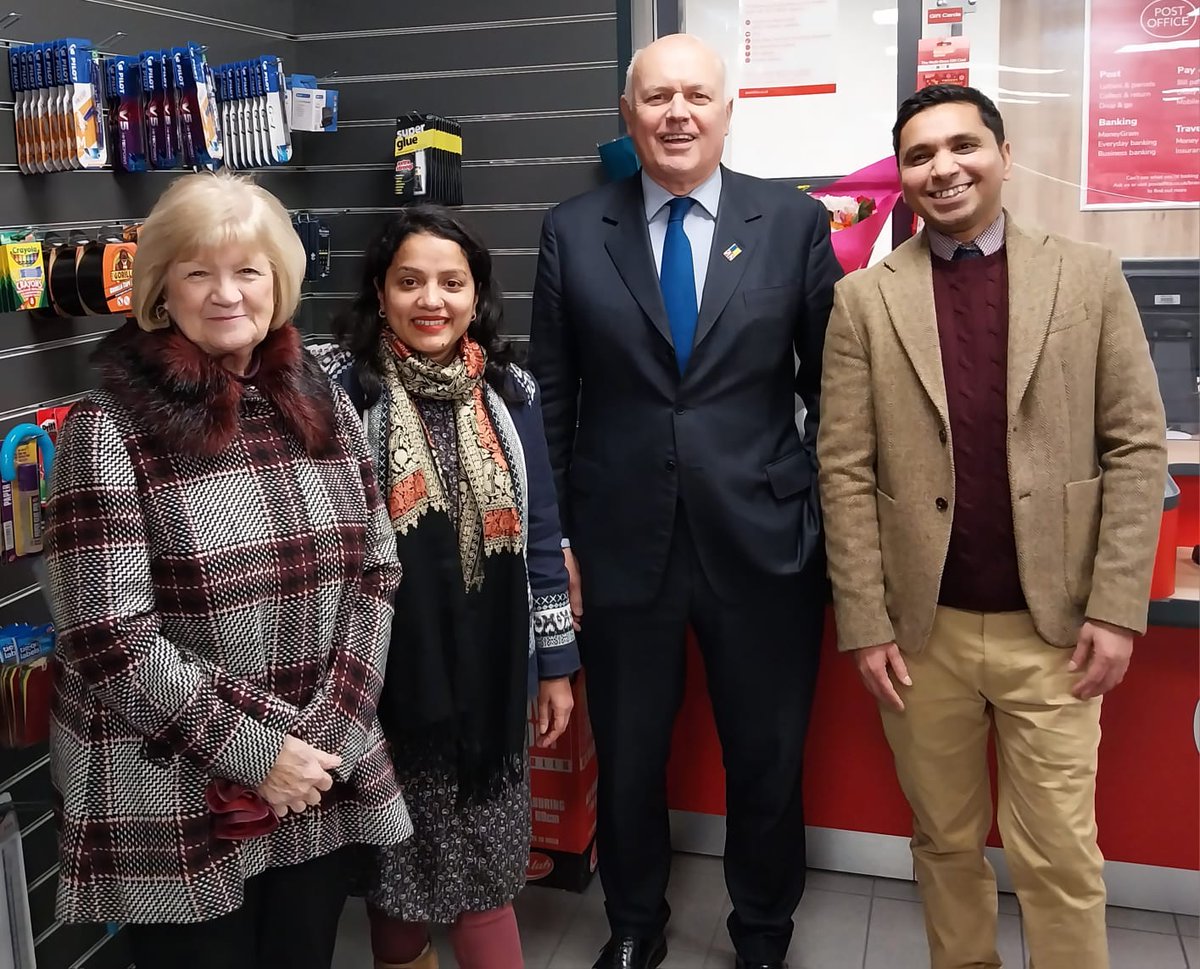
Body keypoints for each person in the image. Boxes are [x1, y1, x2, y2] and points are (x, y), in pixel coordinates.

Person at [817, 85, 1167, 969]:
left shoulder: (1087, 274)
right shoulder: (866, 299)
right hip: (919, 637)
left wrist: (1118, 607)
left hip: (1057, 635)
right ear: (902, 177)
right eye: (921, 155)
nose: (944, 168)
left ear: (1004, 156)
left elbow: (1136, 445)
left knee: (1058, 856)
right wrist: (864, 622)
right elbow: (845, 469)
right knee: (943, 844)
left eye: (963, 146)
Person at [44, 171, 411, 969]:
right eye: (197, 271)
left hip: (314, 767)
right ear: (159, 288)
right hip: (174, 776)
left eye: (248, 270)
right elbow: (109, 638)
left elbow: (376, 572)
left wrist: (326, 739)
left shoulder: (324, 399)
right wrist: (257, 751)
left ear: (278, 280)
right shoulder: (107, 429)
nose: (225, 293)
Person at [528, 32, 841, 969]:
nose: (677, 113)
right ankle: (634, 926)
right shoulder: (575, 229)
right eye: (657, 96)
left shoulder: (791, 224)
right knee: (627, 756)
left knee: (767, 756)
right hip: (622, 544)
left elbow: (838, 389)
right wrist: (561, 543)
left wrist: (814, 511)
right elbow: (551, 396)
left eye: (696, 95)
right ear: (628, 113)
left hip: (766, 541)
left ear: (725, 109)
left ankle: (762, 933)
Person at [313, 205, 580, 969]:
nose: (432, 300)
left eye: (451, 283)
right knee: (394, 878)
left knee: (484, 882)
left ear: (477, 294)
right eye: (410, 282)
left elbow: (542, 538)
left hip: (491, 683)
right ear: (380, 290)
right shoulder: (338, 391)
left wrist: (555, 665)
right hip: (382, 682)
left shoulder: (511, 392)